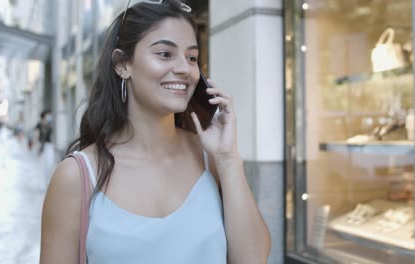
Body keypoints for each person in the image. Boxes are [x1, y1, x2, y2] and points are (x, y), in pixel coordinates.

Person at [40, 1, 271, 264]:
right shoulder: (76, 176)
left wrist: (228, 159)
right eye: (164, 54)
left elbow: (254, 259)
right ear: (122, 65)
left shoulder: (210, 160)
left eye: (192, 57)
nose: (185, 68)